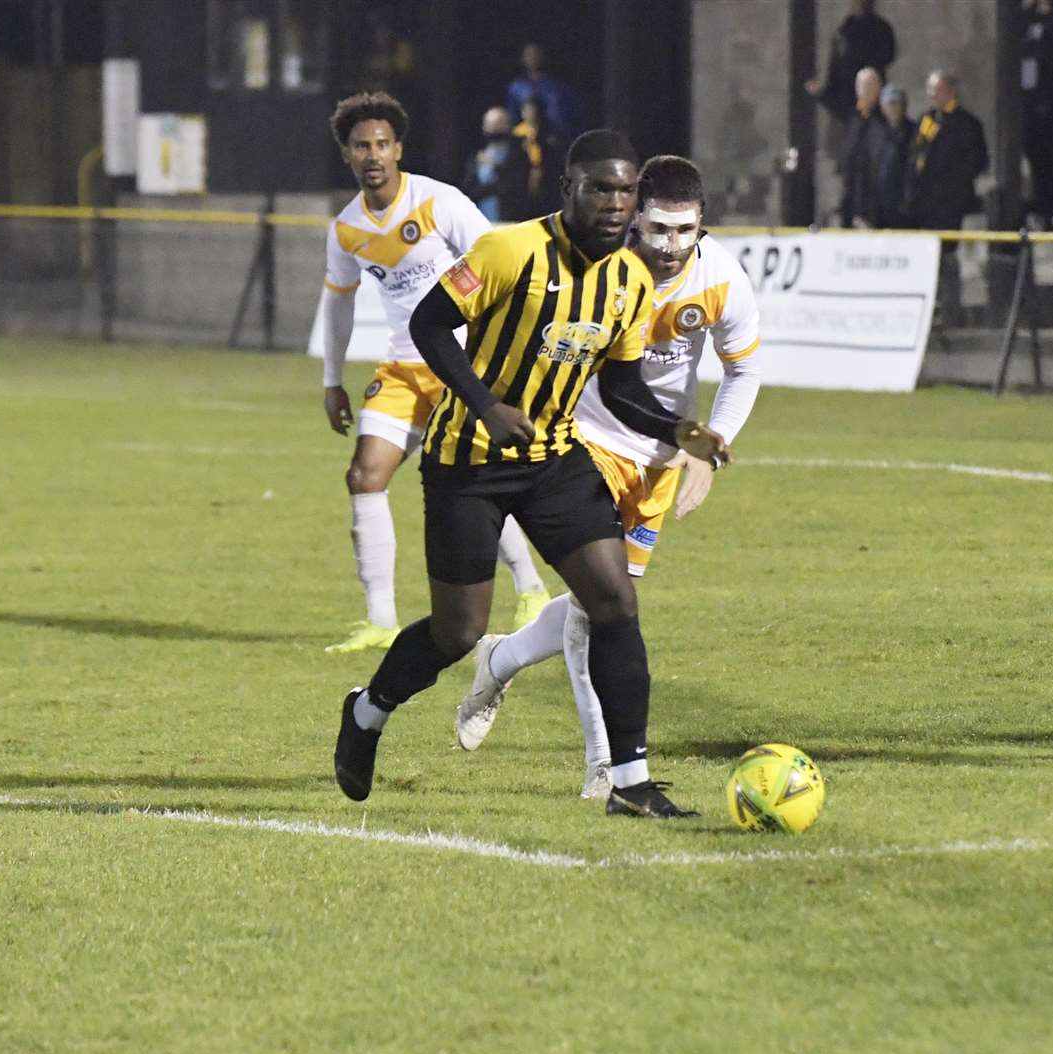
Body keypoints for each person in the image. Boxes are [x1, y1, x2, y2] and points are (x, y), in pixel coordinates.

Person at [332, 130, 732, 819]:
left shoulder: (630, 280)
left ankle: (630, 782)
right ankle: (367, 710)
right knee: (459, 632)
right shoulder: (508, 250)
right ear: (567, 189)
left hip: (553, 460)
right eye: (599, 188)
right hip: (468, 461)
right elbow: (431, 325)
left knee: (614, 601)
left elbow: (624, 384)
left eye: (625, 190)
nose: (614, 202)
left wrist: (676, 429)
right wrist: (485, 405)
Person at [451, 154, 764, 800]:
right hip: (583, 442)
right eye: (657, 229)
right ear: (633, 223)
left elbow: (744, 371)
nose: (671, 245)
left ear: (702, 224)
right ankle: (605, 765)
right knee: (598, 611)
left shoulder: (723, 280)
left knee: (605, 605)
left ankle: (499, 658)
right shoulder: (595, 269)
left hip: (660, 463)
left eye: (684, 231)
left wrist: (711, 447)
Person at [319, 92, 550, 654]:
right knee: (364, 476)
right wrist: (331, 380)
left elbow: (497, 258)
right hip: (402, 367)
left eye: (381, 144)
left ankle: (533, 590)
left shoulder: (438, 201)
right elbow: (340, 305)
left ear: (398, 148)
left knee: (474, 480)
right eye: (360, 146)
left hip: (460, 364)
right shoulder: (346, 229)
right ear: (347, 155)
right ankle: (380, 621)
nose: (372, 155)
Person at [903, 69, 988, 326]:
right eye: (929, 90)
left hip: (951, 203)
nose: (932, 95)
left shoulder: (966, 124)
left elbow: (976, 161)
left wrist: (953, 187)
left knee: (948, 257)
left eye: (936, 90)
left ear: (950, 92)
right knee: (929, 257)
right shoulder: (928, 120)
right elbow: (917, 153)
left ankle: (952, 311)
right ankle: (931, 309)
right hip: (926, 204)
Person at [1018, 0, 1053, 225]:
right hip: (1027, 93)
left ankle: (1050, 202)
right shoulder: (1025, 15)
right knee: (1029, 148)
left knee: (1050, 151)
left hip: (1050, 93)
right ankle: (1034, 200)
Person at [805, 0, 897, 121]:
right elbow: (836, 65)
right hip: (843, 99)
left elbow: (887, 55)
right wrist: (824, 93)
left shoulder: (880, 28)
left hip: (869, 100)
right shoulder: (844, 29)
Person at [505, 42, 585, 143]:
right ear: (522, 59)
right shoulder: (516, 87)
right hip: (527, 140)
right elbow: (512, 117)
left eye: (535, 53)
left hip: (557, 139)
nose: (533, 57)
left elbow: (574, 113)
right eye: (529, 54)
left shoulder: (557, 87)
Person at [461, 106, 530, 223]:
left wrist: (495, 166)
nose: (494, 128)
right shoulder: (477, 157)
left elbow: (515, 185)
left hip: (509, 220)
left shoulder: (518, 155)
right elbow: (468, 188)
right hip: (480, 220)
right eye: (490, 124)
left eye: (498, 123)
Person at [838, 67, 888, 228]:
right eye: (862, 86)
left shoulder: (885, 117)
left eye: (870, 86)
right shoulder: (853, 116)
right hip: (852, 189)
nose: (865, 91)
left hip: (876, 194)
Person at [869, 84, 914, 229]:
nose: (893, 108)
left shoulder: (914, 133)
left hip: (904, 208)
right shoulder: (876, 133)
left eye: (897, 104)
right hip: (879, 207)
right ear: (883, 107)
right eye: (889, 104)